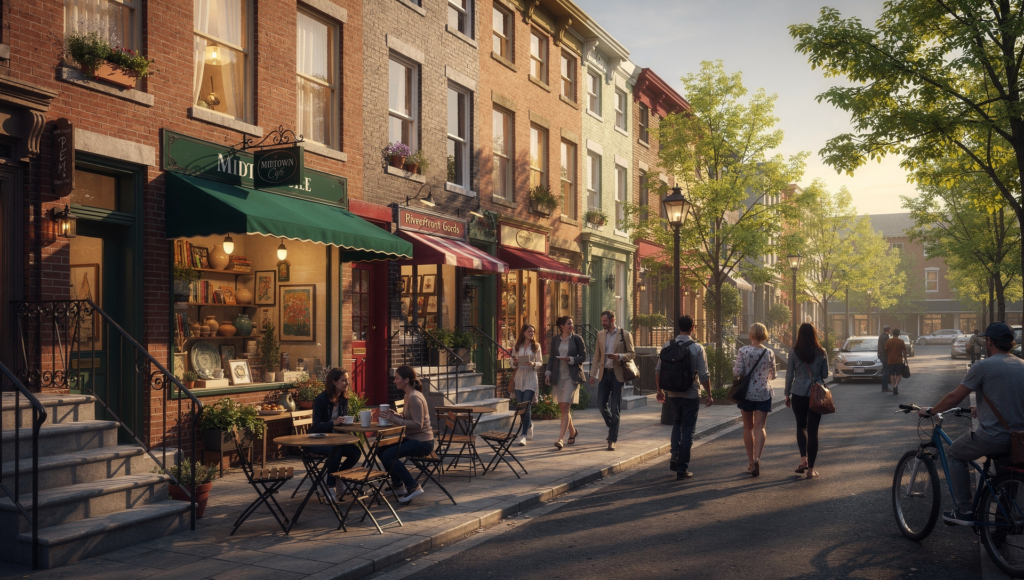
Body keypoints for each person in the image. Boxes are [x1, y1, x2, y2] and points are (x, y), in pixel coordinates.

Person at [918, 322, 1024, 525]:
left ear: (989, 341)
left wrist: (930, 411)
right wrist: (982, 408)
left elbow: (954, 398)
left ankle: (964, 510)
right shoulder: (1022, 364)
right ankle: (1001, 529)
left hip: (992, 437)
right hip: (1019, 440)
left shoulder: (983, 366)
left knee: (954, 454)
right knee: (1007, 477)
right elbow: (1011, 397)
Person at [655, 315, 712, 480]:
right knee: (688, 430)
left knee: (677, 423)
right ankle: (682, 468)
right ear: (693, 327)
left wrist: (659, 390)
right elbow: (704, 375)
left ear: (678, 327)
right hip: (691, 392)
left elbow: (658, 370)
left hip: (672, 393)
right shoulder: (697, 348)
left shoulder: (667, 345)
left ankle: (674, 454)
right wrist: (709, 394)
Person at [379, 366, 435, 503]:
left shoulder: (415, 397)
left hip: (423, 442)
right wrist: (395, 415)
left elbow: (417, 424)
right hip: (412, 439)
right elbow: (407, 418)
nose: (394, 381)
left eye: (396, 378)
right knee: (381, 449)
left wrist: (393, 419)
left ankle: (413, 486)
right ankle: (398, 485)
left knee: (388, 455)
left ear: (406, 380)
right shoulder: (408, 395)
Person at [785, 323, 830, 479]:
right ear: (814, 335)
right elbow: (825, 374)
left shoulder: (793, 352)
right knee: (813, 430)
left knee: (800, 426)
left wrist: (786, 394)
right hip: (816, 394)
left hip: (798, 393)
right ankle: (811, 470)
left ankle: (803, 459)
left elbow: (789, 375)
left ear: (799, 335)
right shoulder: (821, 352)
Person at [310, 368, 362, 502]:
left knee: (355, 452)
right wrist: (333, 423)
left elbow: (341, 421)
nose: (347, 383)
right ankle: (330, 487)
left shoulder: (343, 399)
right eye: (343, 380)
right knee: (336, 451)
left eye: (347, 380)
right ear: (333, 382)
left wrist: (351, 423)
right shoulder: (321, 399)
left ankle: (339, 478)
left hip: (336, 439)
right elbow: (316, 425)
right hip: (317, 440)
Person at [732, 323, 778, 477]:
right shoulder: (769, 352)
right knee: (760, 427)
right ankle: (758, 458)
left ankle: (751, 461)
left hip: (747, 393)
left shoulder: (743, 351)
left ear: (751, 334)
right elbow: (773, 375)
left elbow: (737, 371)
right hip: (763, 392)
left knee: (747, 427)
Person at [590, 311, 637, 451]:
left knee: (615, 408)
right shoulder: (600, 335)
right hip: (604, 374)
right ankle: (613, 427)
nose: (603, 323)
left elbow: (632, 354)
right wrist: (592, 374)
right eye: (602, 321)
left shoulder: (625, 334)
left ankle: (612, 440)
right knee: (601, 405)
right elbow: (597, 356)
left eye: (605, 321)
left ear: (612, 320)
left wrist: (619, 356)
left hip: (618, 375)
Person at [545, 316, 587, 450]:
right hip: (558, 376)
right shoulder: (555, 339)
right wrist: (548, 373)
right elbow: (551, 358)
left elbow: (583, 357)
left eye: (572, 323)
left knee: (565, 405)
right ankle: (572, 431)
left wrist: (571, 359)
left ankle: (560, 439)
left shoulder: (577, 339)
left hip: (571, 376)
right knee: (562, 408)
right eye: (569, 324)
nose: (571, 326)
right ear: (562, 326)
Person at [511, 324, 543, 446]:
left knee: (526, 405)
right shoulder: (517, 346)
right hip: (519, 378)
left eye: (533, 331)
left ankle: (523, 435)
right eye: (529, 331)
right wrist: (514, 362)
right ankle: (529, 425)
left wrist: (533, 364)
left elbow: (540, 362)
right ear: (524, 332)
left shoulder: (536, 346)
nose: (532, 333)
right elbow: (512, 363)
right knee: (521, 407)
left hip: (531, 378)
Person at [884, 328, 907, 395]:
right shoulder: (901, 341)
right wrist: (905, 358)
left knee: (892, 374)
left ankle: (893, 386)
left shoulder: (889, 341)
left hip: (890, 360)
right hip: (899, 360)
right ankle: (896, 385)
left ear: (892, 334)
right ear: (898, 334)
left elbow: (886, 350)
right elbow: (904, 351)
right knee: (899, 374)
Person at [878, 325, 892, 392]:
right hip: (885, 356)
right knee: (886, 372)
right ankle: (885, 387)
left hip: (881, 355)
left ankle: (884, 387)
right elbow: (886, 347)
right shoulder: (886, 337)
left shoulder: (881, 336)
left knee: (885, 371)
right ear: (888, 330)